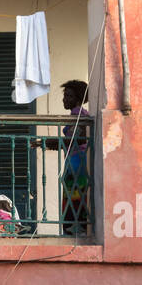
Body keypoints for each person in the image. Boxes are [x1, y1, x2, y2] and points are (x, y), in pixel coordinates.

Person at [46, 79, 91, 235]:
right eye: (65, 95)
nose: (65, 99)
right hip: (76, 160)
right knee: (76, 194)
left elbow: (76, 139)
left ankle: (74, 228)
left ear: (78, 98)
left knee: (74, 195)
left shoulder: (78, 114)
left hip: (77, 162)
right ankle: (76, 227)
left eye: (69, 96)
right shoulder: (79, 114)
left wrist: (52, 141)